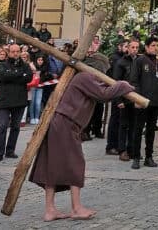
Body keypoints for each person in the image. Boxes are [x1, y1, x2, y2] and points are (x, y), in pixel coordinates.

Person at [30, 71, 136, 220]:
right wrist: (123, 85)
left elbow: (101, 90)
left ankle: (50, 210)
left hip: (61, 123)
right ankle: (76, 208)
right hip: (65, 123)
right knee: (75, 163)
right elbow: (103, 94)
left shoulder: (86, 78)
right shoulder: (85, 77)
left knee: (52, 165)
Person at [126, 37, 158, 169]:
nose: (156, 48)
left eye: (157, 45)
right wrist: (137, 99)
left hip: (155, 102)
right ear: (147, 47)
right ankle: (136, 157)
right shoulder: (140, 61)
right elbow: (134, 81)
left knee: (151, 131)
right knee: (138, 130)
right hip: (142, 102)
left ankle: (149, 157)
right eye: (153, 45)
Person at [0, 44, 33, 162]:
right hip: (5, 101)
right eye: (13, 51)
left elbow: (29, 78)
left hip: (19, 100)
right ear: (9, 52)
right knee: (2, 126)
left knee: (15, 127)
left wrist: (13, 74)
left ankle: (10, 150)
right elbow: (3, 77)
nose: (15, 53)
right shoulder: (2, 65)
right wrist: (19, 74)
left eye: (17, 51)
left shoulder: (25, 66)